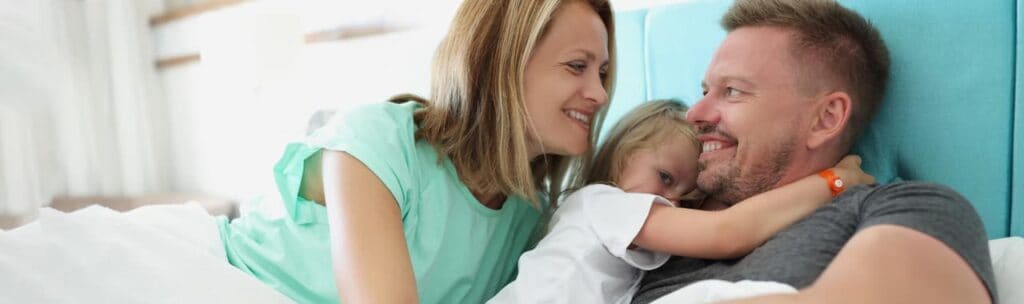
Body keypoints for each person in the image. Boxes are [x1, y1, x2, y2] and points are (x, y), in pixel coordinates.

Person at [216, 0, 617, 303]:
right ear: (500, 64)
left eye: (601, 73)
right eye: (576, 66)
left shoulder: (530, 220)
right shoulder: (375, 145)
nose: (599, 95)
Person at [632, 0, 997, 303]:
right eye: (704, 90)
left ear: (826, 119)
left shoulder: (908, 207)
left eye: (732, 91)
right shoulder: (654, 220)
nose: (694, 114)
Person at [488, 100, 874, 304]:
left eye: (685, 196)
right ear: (624, 151)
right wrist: (836, 181)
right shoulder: (603, 204)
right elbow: (728, 231)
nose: (670, 201)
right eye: (666, 178)